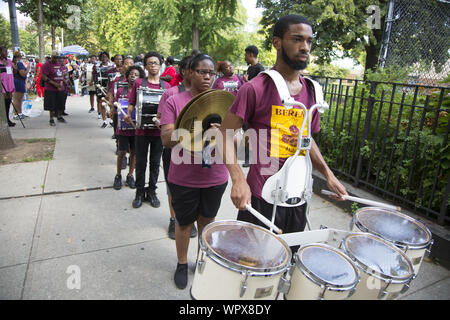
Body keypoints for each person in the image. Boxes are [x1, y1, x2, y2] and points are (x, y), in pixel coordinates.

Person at [219, 15, 348, 249]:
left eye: (309, 41)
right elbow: (224, 134)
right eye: (297, 39)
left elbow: (306, 141)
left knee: (287, 262)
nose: (305, 47)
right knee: (252, 265)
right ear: (277, 43)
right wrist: (238, 179)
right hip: (261, 198)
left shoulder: (312, 92)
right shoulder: (254, 88)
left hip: (297, 196)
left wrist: (328, 174)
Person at [160, 53, 228, 289]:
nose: (208, 76)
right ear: (190, 72)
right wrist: (192, 129)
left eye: (212, 72)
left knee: (207, 222)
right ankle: (181, 263)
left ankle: (202, 262)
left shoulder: (224, 102)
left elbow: (238, 142)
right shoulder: (175, 101)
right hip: (184, 176)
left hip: (215, 176)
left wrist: (224, 135)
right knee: (184, 222)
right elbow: (166, 139)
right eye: (202, 71)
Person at [157, 55, 197, 240]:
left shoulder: (206, 94)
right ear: (184, 71)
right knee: (174, 188)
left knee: (197, 187)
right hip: (174, 150)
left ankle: (193, 219)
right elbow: (159, 119)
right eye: (194, 68)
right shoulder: (170, 94)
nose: (200, 73)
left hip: (198, 152)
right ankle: (174, 220)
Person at [124, 51, 170, 209]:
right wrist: (128, 114)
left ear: (160, 65)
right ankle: (139, 192)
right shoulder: (138, 83)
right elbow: (132, 102)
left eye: (156, 63)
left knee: (156, 163)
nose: (153, 66)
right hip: (141, 131)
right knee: (141, 162)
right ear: (145, 66)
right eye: (150, 63)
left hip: (158, 133)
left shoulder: (167, 86)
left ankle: (152, 191)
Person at [112, 65, 144, 191]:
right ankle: (118, 175)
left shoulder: (141, 92)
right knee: (121, 152)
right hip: (123, 128)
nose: (133, 76)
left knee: (134, 153)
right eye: (131, 74)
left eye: (136, 75)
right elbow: (115, 107)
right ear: (127, 76)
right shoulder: (121, 91)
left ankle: (130, 175)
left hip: (136, 128)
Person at [41, 50, 66, 126]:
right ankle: (51, 119)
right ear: (51, 57)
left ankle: (59, 116)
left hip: (59, 87)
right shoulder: (47, 65)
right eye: (55, 57)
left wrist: (60, 84)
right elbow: (43, 76)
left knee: (60, 103)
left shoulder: (59, 64)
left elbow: (61, 75)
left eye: (57, 58)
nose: (56, 59)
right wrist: (54, 84)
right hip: (50, 88)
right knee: (51, 105)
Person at [93, 51, 114, 127]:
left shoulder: (112, 66)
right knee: (102, 103)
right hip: (100, 87)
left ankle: (111, 120)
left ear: (108, 58)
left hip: (109, 88)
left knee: (111, 104)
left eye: (105, 57)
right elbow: (95, 76)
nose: (104, 58)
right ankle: (104, 121)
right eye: (102, 57)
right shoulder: (97, 66)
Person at [0, 46, 16, 127]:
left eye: (6, 51)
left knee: (8, 102)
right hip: (2, 84)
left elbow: (15, 69)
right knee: (3, 102)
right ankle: (4, 119)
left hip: (9, 83)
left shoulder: (9, 61)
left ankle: (7, 119)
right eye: (4, 51)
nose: (6, 53)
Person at [12, 51, 29, 120]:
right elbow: (23, 73)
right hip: (19, 82)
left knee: (19, 99)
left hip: (18, 81)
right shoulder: (19, 63)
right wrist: (28, 68)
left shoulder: (15, 63)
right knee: (17, 99)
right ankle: (16, 114)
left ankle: (19, 113)